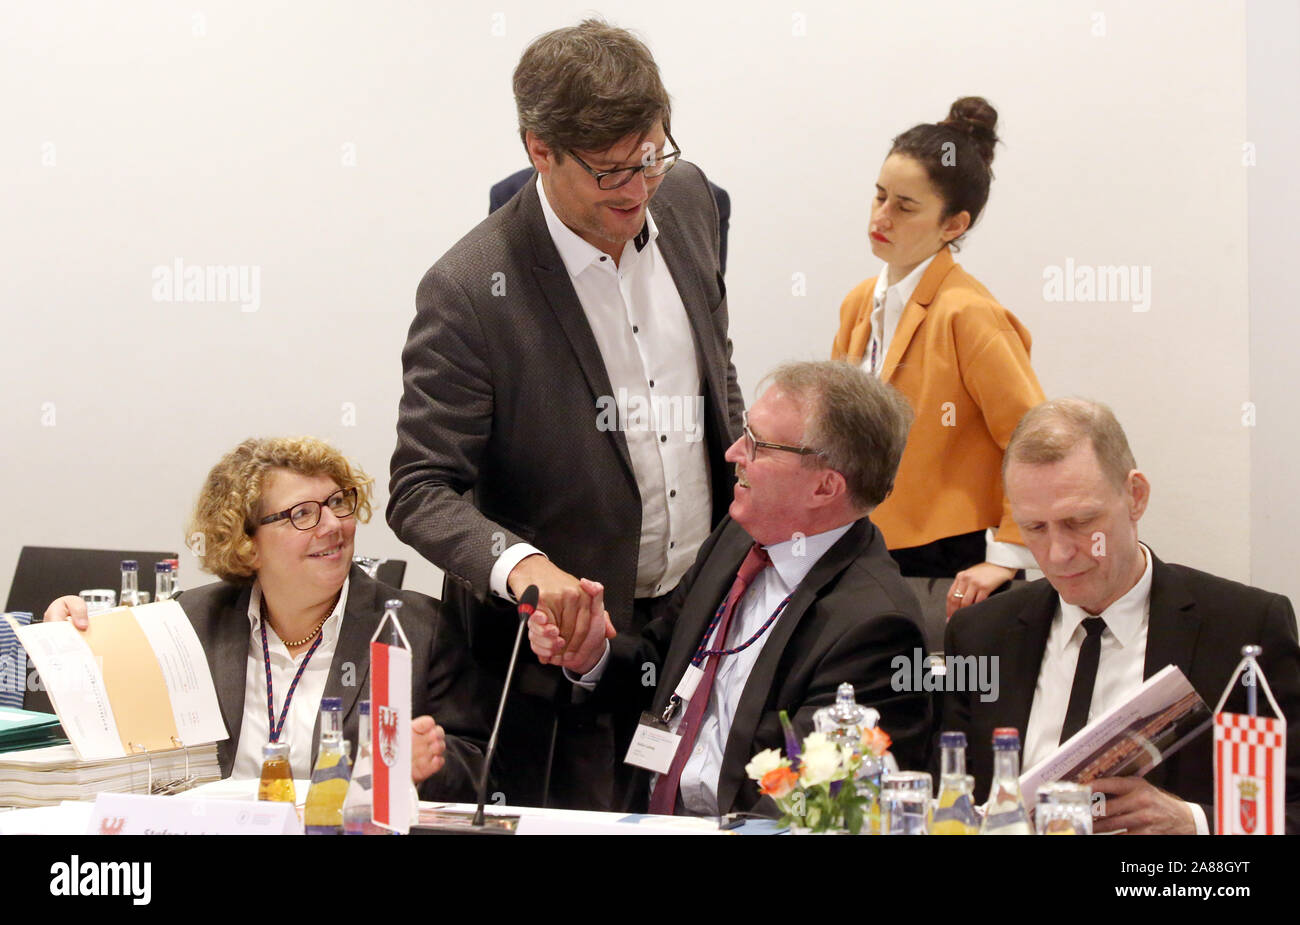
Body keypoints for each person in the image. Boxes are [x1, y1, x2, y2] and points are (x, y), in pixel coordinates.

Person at [387, 19, 742, 809]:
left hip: (699, 627)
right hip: (557, 674)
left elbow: (716, 374)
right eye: (610, 172)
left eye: (650, 156)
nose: (637, 189)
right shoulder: (472, 289)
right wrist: (523, 566)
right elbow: (420, 488)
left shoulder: (689, 203)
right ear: (537, 149)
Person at [529, 362, 932, 815]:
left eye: (758, 446)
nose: (733, 452)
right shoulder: (737, 538)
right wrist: (593, 656)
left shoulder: (875, 628)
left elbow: (812, 809)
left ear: (825, 487)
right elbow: (660, 665)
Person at [45, 437, 489, 801]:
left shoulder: (417, 628)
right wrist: (69, 645)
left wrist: (421, 764)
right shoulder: (193, 621)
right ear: (247, 543)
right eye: (302, 514)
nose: (333, 524)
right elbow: (117, 731)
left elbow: (481, 772)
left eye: (338, 502)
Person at [943, 399, 1300, 833]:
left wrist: (1194, 822)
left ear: (1136, 497)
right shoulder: (980, 634)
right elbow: (949, 799)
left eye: (1079, 522)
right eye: (1035, 528)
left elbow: (1291, 806)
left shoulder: (1244, 628)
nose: (1057, 555)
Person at [830, 97, 1045, 641]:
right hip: (864, 547)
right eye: (879, 196)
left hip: (951, 557)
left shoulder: (968, 314)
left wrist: (1010, 555)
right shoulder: (860, 302)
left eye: (904, 206)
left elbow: (1033, 436)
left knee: (937, 709)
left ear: (954, 223)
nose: (880, 216)